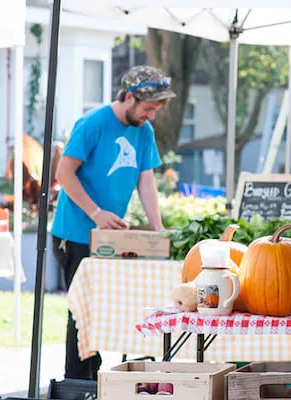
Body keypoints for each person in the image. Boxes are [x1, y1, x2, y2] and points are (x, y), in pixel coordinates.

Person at [51, 65, 174, 379]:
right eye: (148, 108)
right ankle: (77, 383)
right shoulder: (92, 123)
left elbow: (146, 181)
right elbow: (63, 173)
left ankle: (96, 379)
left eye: (156, 110)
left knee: (103, 308)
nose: (151, 116)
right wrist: (96, 213)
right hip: (75, 233)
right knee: (82, 312)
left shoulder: (144, 131)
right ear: (129, 97)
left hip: (110, 238)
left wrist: (157, 229)